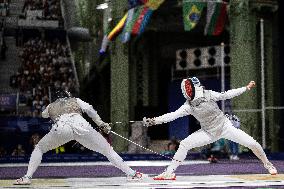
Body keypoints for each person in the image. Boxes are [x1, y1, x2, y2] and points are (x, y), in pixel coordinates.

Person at [143, 77, 277, 180]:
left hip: (225, 127)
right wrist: (154, 120)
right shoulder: (188, 105)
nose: (187, 91)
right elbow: (172, 115)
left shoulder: (208, 94)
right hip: (208, 132)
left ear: (194, 88)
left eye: (189, 88)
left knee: (252, 143)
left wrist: (245, 88)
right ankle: (169, 173)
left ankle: (268, 164)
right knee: (184, 144)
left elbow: (226, 94)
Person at [14, 90, 146, 185]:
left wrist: (51, 110)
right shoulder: (75, 100)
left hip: (61, 128)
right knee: (108, 150)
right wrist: (101, 124)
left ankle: (27, 177)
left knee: (39, 148)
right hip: (82, 126)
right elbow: (90, 109)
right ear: (67, 96)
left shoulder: (50, 106)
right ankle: (132, 174)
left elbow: (43, 115)